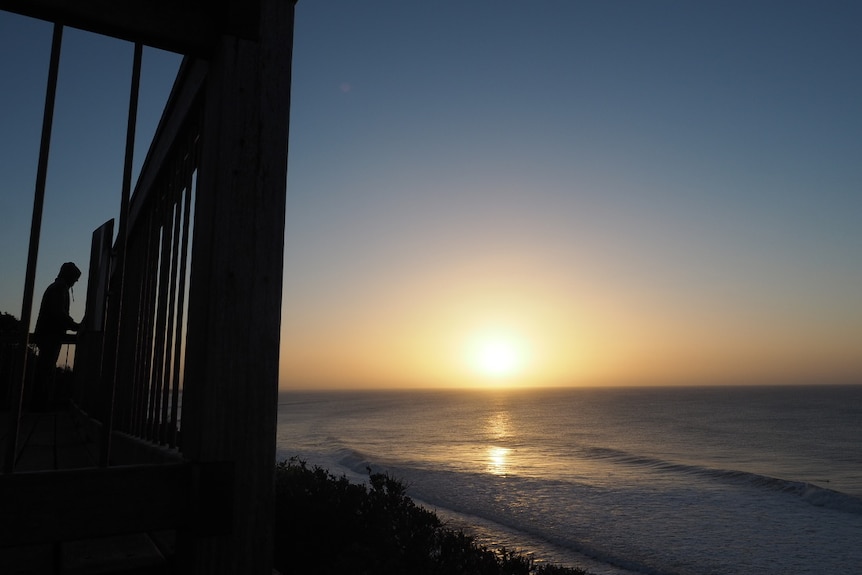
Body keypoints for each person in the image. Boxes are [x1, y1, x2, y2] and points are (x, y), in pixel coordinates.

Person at [32, 262, 82, 409]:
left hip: (48, 335)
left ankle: (40, 403)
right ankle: (39, 405)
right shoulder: (59, 288)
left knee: (45, 370)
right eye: (74, 278)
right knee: (45, 370)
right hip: (50, 336)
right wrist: (75, 326)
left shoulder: (57, 287)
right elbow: (58, 313)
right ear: (69, 276)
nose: (75, 282)